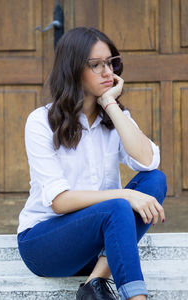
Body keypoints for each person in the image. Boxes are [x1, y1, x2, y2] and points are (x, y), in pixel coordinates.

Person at [17, 27, 167, 300]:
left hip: (97, 245)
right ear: (74, 70)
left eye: (110, 63)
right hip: (45, 245)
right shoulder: (40, 122)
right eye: (96, 66)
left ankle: (95, 282)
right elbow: (59, 202)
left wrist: (110, 105)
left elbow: (148, 161)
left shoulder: (113, 118)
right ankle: (137, 297)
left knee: (155, 180)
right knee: (117, 206)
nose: (108, 72)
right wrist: (125, 193)